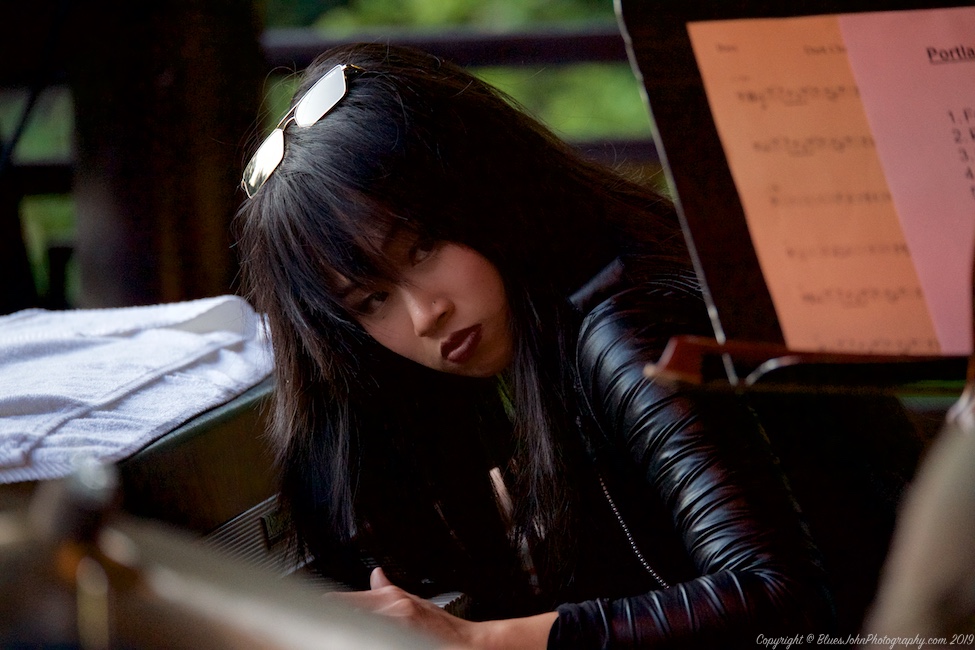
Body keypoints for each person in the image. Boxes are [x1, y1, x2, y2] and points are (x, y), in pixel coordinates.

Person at [235, 42, 834, 648]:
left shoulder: (630, 326)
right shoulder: (550, 347)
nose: (425, 314)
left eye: (423, 247)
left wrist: (475, 640)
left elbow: (777, 599)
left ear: (482, 189)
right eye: (370, 300)